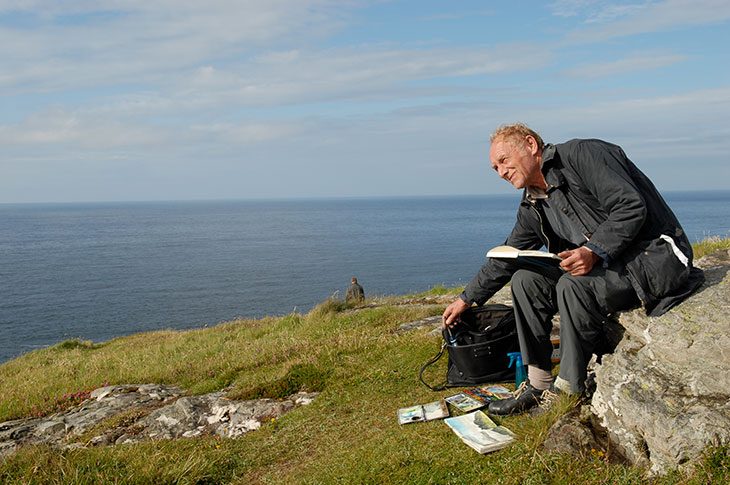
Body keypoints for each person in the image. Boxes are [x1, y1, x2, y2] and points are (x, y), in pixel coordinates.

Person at [442, 123, 704, 415]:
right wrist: (467, 299)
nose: (501, 172)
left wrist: (593, 251)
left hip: (656, 257)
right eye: (495, 168)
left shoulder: (583, 154)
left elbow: (630, 206)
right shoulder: (533, 202)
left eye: (504, 161)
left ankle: (568, 388)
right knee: (525, 280)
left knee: (571, 285)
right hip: (605, 268)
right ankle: (537, 383)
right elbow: (506, 257)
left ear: (531, 145)